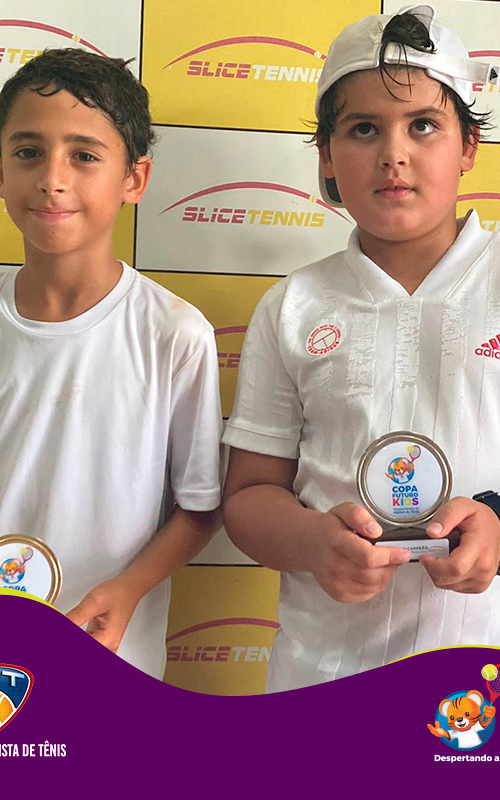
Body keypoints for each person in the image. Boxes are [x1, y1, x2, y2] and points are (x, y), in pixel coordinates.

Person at [222, 5, 500, 692]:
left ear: (469, 146)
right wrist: (312, 543)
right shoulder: (292, 306)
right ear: (326, 155)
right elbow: (250, 496)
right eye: (364, 129)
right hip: (322, 678)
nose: (393, 154)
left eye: (424, 125)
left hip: (478, 681)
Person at [0, 48, 222, 679]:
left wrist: (126, 591)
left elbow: (201, 506)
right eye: (28, 152)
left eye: (84, 156)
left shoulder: (174, 334)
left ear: (134, 179)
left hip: (109, 654)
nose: (52, 178)